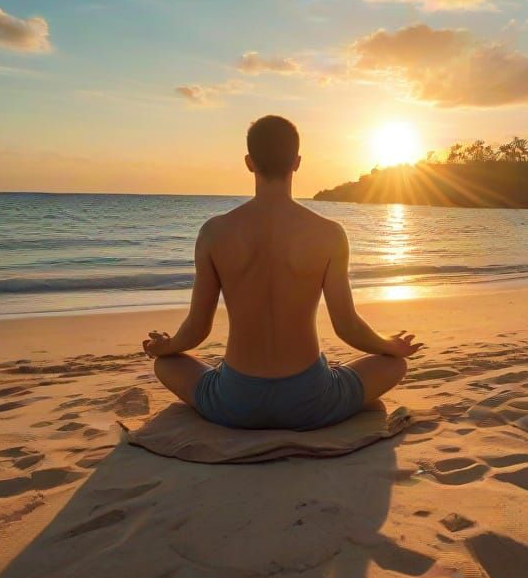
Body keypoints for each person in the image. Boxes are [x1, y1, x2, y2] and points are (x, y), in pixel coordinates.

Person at [143, 115, 421, 431]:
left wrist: (166, 346)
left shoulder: (214, 233)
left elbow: (196, 329)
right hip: (312, 400)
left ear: (249, 162)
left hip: (235, 401)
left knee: (166, 365)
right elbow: (347, 326)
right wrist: (389, 345)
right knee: (394, 366)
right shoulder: (329, 234)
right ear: (297, 162)